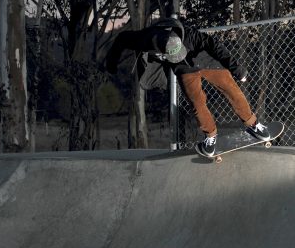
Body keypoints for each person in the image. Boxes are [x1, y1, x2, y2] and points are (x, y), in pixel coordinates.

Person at [105, 17, 270, 156]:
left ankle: (254, 125)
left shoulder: (191, 35)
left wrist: (237, 69)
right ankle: (210, 137)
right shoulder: (144, 39)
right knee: (197, 102)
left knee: (231, 89)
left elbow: (216, 47)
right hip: (185, 70)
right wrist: (111, 64)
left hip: (207, 62)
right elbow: (122, 38)